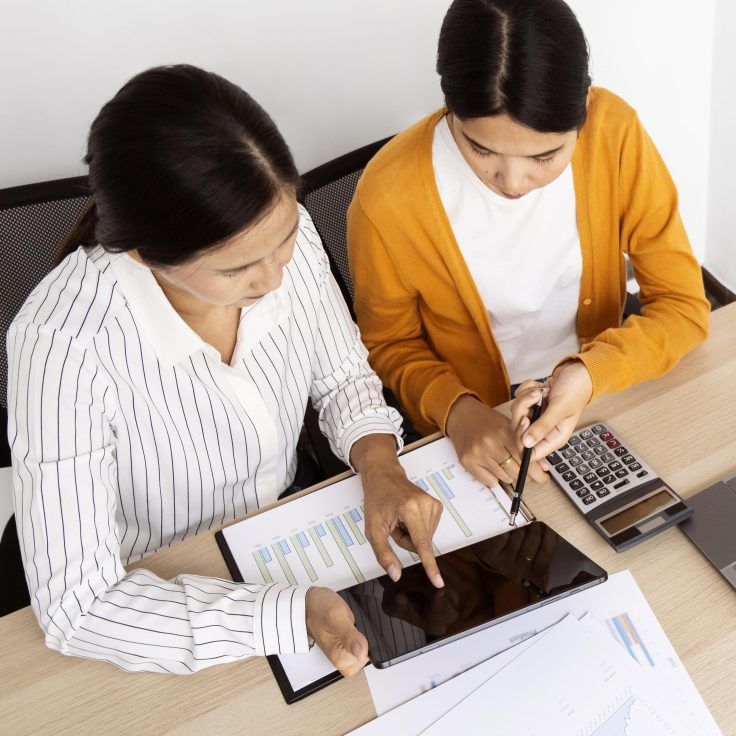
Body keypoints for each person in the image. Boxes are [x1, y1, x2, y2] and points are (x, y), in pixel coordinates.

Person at [6, 65, 445, 676]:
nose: (272, 279)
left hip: (278, 532)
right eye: (237, 271)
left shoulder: (282, 233)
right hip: (157, 590)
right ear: (144, 252)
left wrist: (380, 465)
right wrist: (288, 617)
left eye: (285, 238)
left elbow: (343, 378)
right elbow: (78, 604)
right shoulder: (61, 343)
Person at [347, 0, 710, 486]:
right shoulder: (387, 197)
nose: (514, 181)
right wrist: (458, 412)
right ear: (450, 107)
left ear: (582, 113)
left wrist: (589, 373)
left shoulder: (612, 134)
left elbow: (682, 306)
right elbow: (391, 345)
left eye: (545, 155)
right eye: (481, 149)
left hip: (604, 390)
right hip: (477, 423)